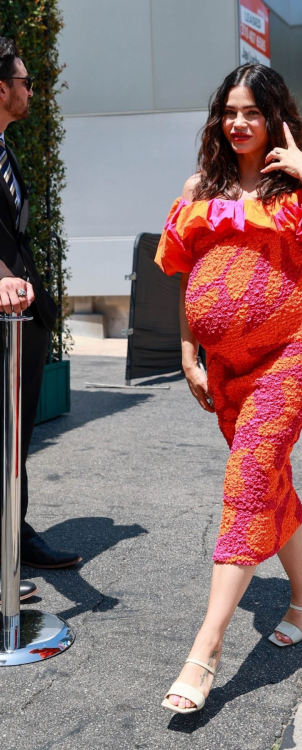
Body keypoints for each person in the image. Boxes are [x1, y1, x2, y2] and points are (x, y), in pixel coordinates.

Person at [155, 63, 302, 714]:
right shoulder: (204, 186)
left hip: (290, 356)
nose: (239, 122)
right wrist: (190, 351)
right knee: (266, 478)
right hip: (226, 371)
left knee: (249, 479)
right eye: (230, 110)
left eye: (252, 111)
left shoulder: (299, 190)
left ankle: (206, 649)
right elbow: (188, 273)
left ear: (276, 116)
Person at [0, 37, 81, 573]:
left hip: (26, 318)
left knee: (15, 437)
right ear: (2, 88)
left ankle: (13, 539)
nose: (31, 90)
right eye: (25, 81)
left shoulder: (4, 149)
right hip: (3, 314)